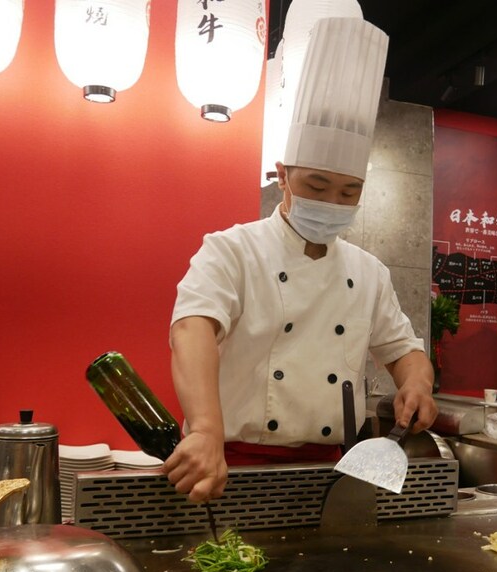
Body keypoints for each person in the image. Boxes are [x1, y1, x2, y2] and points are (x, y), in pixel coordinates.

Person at [162, 17, 438, 503]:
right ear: (282, 175)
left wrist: (417, 385)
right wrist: (204, 428)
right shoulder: (232, 249)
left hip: (331, 474)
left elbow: (404, 350)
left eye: (349, 191)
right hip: (233, 466)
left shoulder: (368, 272)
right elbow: (192, 328)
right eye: (316, 186)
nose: (333, 201)